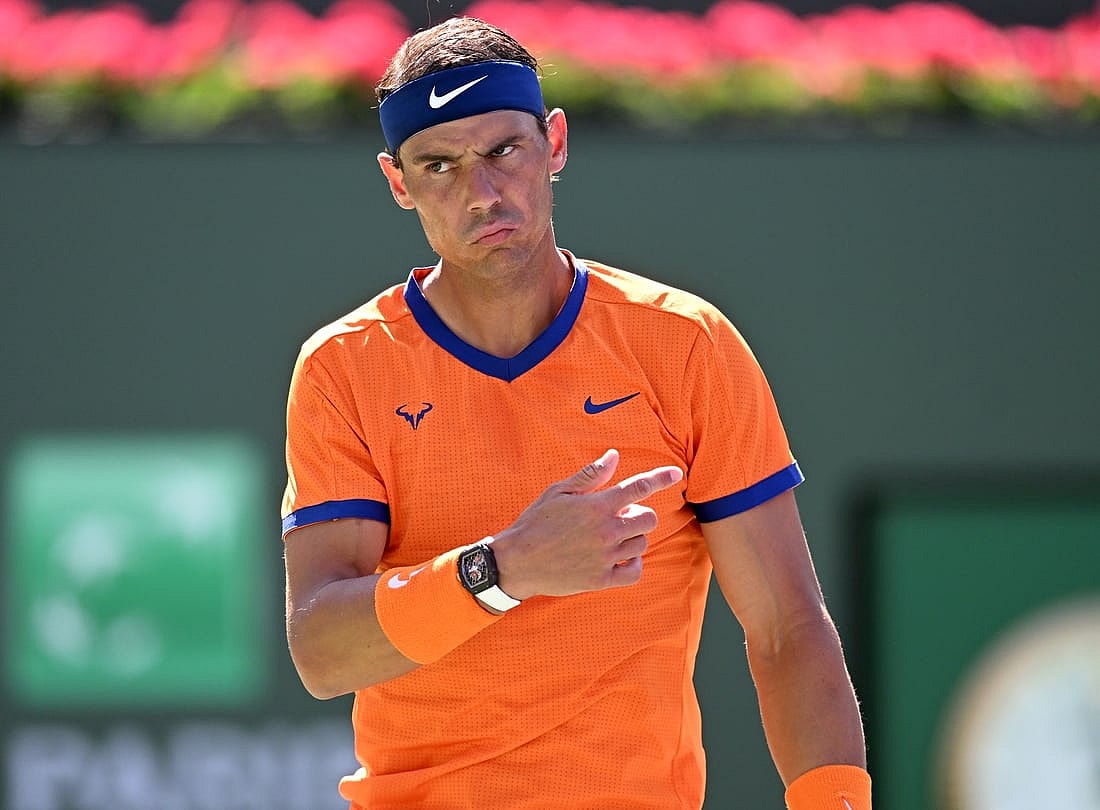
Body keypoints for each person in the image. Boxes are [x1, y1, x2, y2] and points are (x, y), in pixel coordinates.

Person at [280, 15, 870, 810]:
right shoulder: (343, 366)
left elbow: (787, 627)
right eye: (439, 165)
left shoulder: (685, 343)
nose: (481, 192)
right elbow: (323, 649)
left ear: (554, 143)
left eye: (503, 151)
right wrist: (507, 569)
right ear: (398, 183)